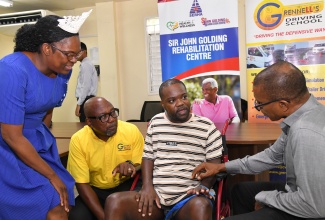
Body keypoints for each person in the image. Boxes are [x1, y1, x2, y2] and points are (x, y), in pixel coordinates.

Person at [192, 61, 325, 219]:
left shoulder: (305, 132)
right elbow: (272, 156)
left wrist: (266, 198)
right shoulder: (303, 115)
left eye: (260, 103)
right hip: (304, 192)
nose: (257, 108)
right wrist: (221, 167)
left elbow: (314, 206)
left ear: (282, 105)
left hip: (312, 207)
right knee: (240, 191)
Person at [0, 10, 92, 220]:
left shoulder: (63, 69)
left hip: (35, 145)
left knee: (60, 202)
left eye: (76, 54)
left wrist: (44, 142)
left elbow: (48, 105)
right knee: (46, 203)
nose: (73, 61)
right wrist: (50, 175)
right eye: (69, 54)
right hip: (8, 147)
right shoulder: (11, 70)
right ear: (47, 48)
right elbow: (11, 135)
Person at [104, 78, 223, 220]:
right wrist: (147, 187)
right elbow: (148, 157)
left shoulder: (207, 127)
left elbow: (214, 166)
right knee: (114, 201)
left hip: (189, 198)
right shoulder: (156, 123)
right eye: (172, 101)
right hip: (157, 197)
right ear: (163, 104)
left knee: (201, 205)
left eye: (184, 97)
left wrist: (204, 186)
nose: (180, 103)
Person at [67, 96, 144, 220]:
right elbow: (82, 184)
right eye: (104, 117)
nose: (112, 119)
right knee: (76, 216)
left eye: (113, 113)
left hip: (126, 186)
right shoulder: (79, 140)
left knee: (142, 212)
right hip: (96, 190)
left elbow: (142, 163)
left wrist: (130, 165)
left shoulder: (131, 130)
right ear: (89, 122)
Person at [75, 42, 98, 122]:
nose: (75, 55)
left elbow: (86, 86)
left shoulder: (86, 65)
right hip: (86, 100)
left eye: (78, 52)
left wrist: (79, 104)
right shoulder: (86, 64)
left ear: (84, 51)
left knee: (85, 127)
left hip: (86, 101)